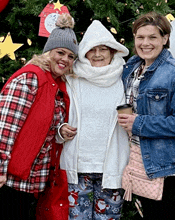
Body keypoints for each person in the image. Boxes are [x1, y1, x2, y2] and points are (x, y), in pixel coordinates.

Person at [118, 12, 175, 220]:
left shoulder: (174, 74)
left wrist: (140, 123)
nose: (145, 43)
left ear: (164, 39)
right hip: (142, 161)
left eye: (152, 37)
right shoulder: (132, 68)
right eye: (140, 37)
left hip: (171, 167)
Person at [0, 13, 78, 220]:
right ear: (48, 52)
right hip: (9, 180)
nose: (65, 60)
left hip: (32, 181)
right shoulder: (30, 78)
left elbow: (45, 124)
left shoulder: (56, 84)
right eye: (60, 52)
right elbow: (5, 127)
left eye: (71, 56)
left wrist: (61, 130)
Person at [57, 20, 130, 219]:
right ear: (84, 52)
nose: (97, 54)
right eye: (92, 49)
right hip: (78, 166)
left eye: (103, 49)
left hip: (112, 168)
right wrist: (61, 129)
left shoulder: (125, 77)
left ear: (113, 51)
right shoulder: (72, 78)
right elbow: (56, 113)